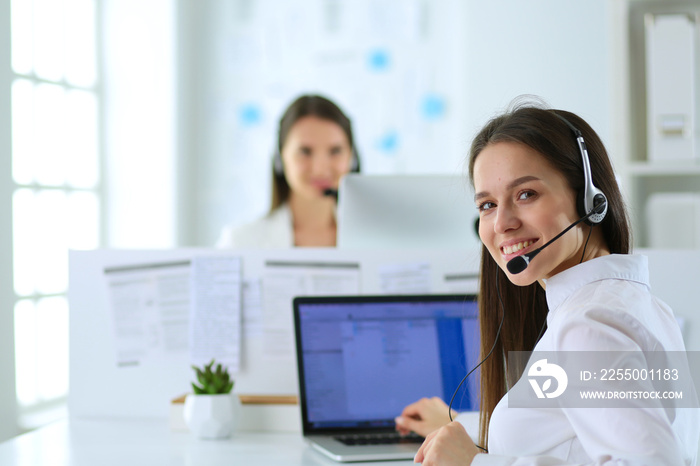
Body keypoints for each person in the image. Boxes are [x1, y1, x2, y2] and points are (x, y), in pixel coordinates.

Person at [398, 103, 699, 465]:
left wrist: (475, 463)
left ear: (590, 200)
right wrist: (460, 423)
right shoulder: (632, 305)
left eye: (526, 194)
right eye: (488, 205)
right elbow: (567, 414)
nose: (501, 224)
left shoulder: (587, 324)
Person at [216, 94, 360, 248]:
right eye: (305, 151)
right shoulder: (240, 243)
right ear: (280, 158)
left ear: (351, 157)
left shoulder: (378, 242)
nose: (320, 169)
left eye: (335, 151)